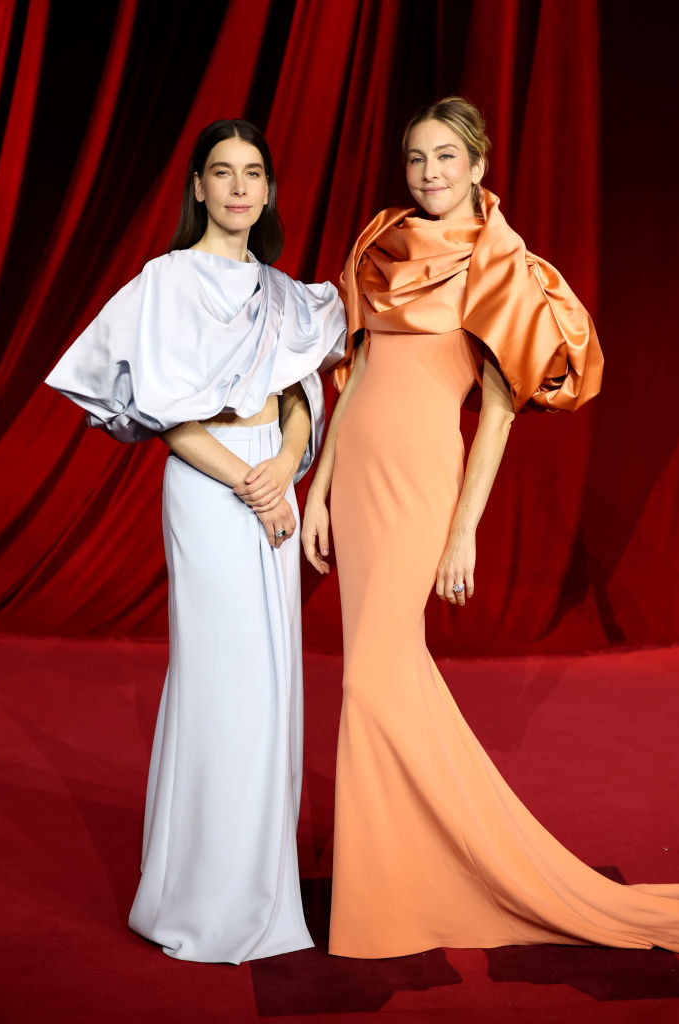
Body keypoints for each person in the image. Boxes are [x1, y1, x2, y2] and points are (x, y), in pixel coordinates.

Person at [302, 96, 679, 958]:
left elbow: (500, 415)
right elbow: (355, 378)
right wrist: (320, 487)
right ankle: (400, 871)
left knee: (373, 677)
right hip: (356, 467)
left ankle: (438, 877)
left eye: (445, 158)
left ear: (479, 165)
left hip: (423, 471)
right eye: (416, 160)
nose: (429, 175)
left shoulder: (503, 260)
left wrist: (464, 529)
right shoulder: (383, 239)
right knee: (381, 674)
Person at [46, 119, 346, 963]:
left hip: (271, 481)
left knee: (275, 680)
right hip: (210, 485)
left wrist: (285, 465)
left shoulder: (284, 294)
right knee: (224, 682)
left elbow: (300, 394)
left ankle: (262, 888)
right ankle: (201, 900)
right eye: (224, 173)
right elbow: (166, 414)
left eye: (254, 173)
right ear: (200, 189)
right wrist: (250, 482)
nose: (240, 188)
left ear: (269, 191)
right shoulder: (166, 283)